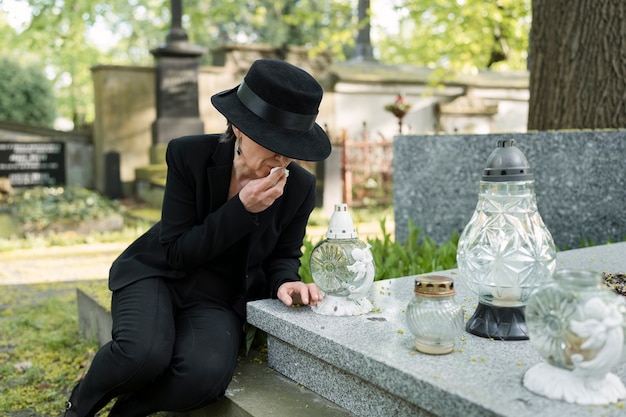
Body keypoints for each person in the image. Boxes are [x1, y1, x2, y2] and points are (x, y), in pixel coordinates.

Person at [64, 58, 331, 417]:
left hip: (219, 295)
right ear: (238, 126)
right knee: (141, 355)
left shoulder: (300, 187)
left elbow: (284, 254)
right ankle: (80, 405)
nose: (280, 158)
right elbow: (176, 252)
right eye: (271, 142)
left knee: (202, 378)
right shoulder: (188, 154)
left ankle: (127, 411)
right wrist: (242, 208)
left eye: (291, 148)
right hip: (158, 272)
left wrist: (286, 282)